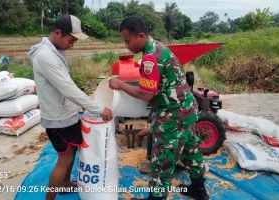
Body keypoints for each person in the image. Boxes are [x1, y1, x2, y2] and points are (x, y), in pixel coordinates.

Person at [109, 16, 209, 200]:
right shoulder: (158, 47)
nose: (126, 46)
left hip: (172, 116)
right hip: (187, 110)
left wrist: (120, 85)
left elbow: (146, 95)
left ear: (140, 36)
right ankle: (199, 191)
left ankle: (156, 197)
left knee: (162, 161)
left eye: (127, 41)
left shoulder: (149, 59)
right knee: (191, 151)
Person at [27, 14, 113, 200]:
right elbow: (69, 88)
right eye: (71, 40)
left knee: (71, 152)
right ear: (58, 33)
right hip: (59, 119)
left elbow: (67, 85)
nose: (72, 45)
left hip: (67, 114)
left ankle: (65, 185)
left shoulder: (55, 51)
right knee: (64, 159)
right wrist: (99, 108)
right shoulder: (45, 56)